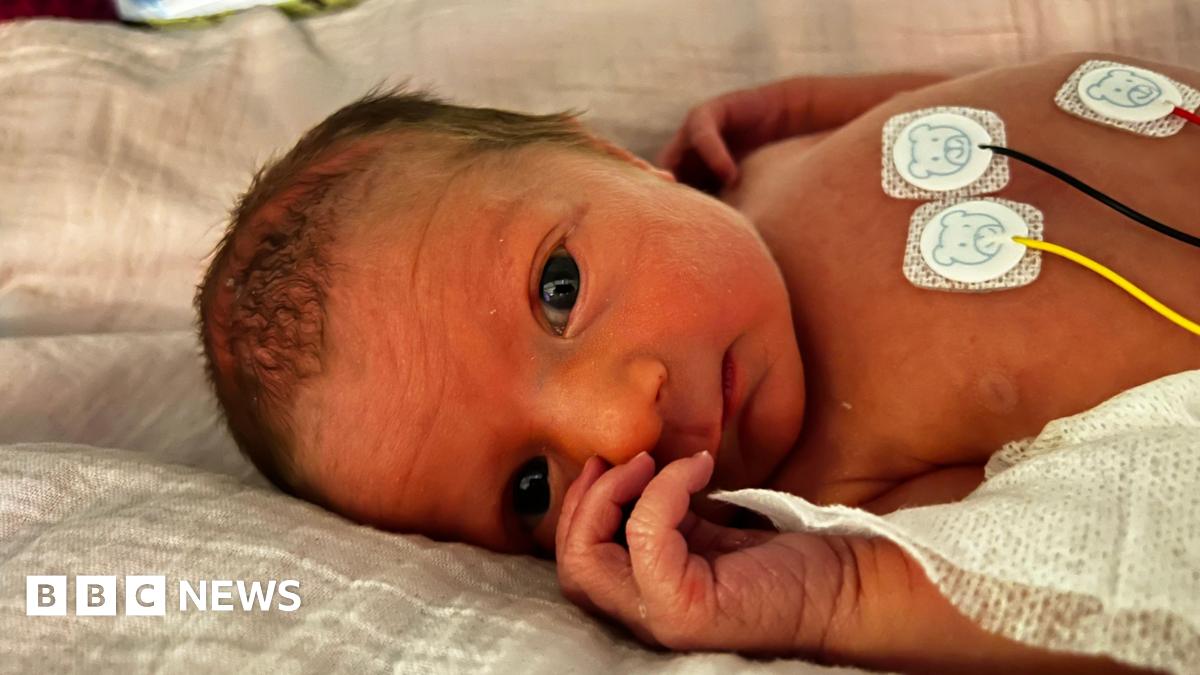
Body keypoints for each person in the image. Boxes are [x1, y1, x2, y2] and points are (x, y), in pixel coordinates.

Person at [196, 52, 1198, 671]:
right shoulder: (826, 487)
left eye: (559, 291)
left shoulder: (756, 164)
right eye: (532, 486)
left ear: (618, 159)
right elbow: (1061, 572)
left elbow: (950, 107)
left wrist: (804, 103)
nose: (618, 425)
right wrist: (829, 593)